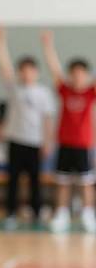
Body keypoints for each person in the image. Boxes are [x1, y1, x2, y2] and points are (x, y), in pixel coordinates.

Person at [0, 27, 55, 230]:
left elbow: (47, 120)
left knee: (35, 181)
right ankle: (11, 212)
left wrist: (48, 142)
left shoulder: (43, 93)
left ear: (36, 72)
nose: (27, 73)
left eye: (30, 70)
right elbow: (4, 67)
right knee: (13, 180)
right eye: (23, 70)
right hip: (16, 140)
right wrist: (0, 42)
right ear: (20, 72)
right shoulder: (15, 89)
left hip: (35, 142)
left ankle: (36, 212)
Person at [41, 30, 96, 233]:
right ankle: (61, 214)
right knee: (62, 182)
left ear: (87, 75)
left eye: (81, 73)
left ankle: (88, 214)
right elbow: (54, 69)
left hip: (84, 145)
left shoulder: (91, 92)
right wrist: (48, 47)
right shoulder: (65, 90)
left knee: (85, 183)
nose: (77, 76)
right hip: (64, 144)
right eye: (73, 73)